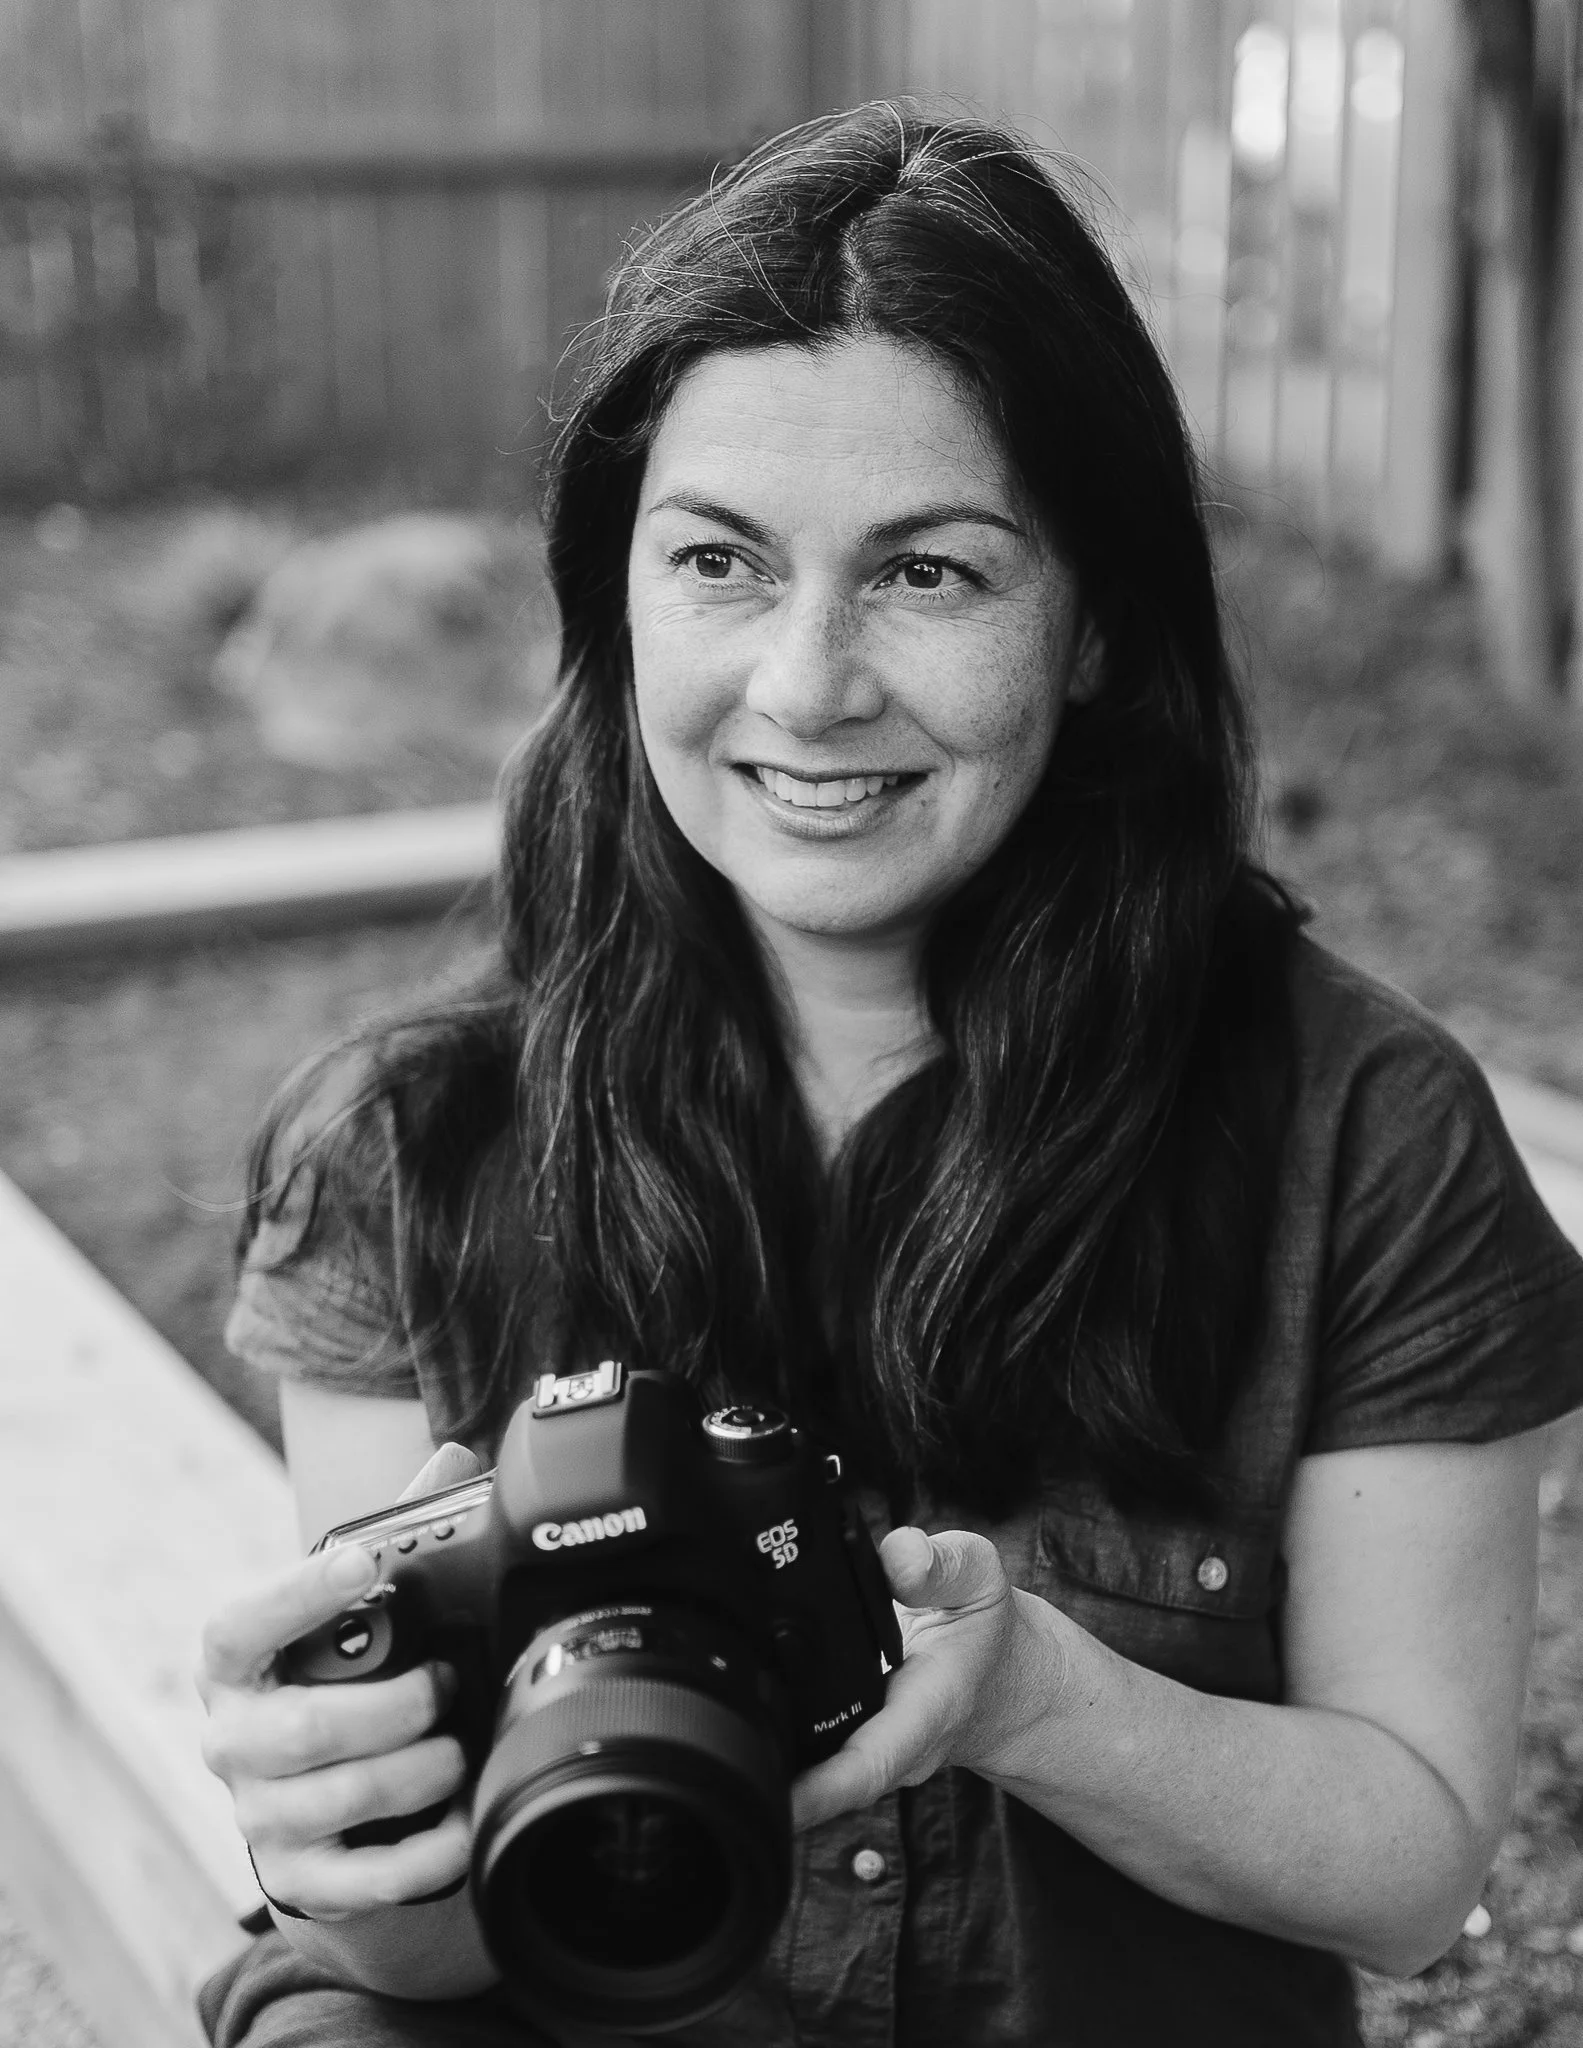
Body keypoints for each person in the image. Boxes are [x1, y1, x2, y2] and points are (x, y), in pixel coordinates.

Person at [195, 104, 1583, 2048]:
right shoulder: (406, 1147)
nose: (806, 684)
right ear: (614, 599)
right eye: (718, 561)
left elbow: (1408, 1864)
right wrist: (351, 1833)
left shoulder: (1362, 1133)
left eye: (927, 574)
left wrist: (1039, 1700)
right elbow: (423, 1972)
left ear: (1093, 623)